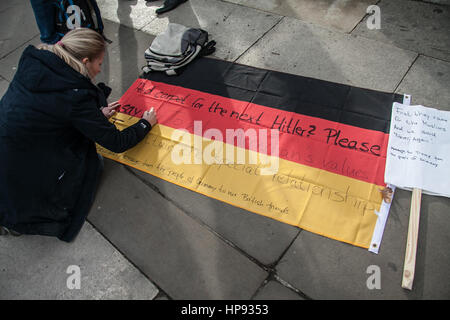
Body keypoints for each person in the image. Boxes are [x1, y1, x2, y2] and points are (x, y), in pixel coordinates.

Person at [0, 28, 157, 241]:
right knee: (89, 166)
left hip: (11, 146)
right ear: (85, 61)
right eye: (99, 64)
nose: (100, 70)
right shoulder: (75, 97)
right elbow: (117, 142)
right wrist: (145, 124)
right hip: (25, 168)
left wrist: (95, 116)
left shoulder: (37, 65)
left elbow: (50, 111)